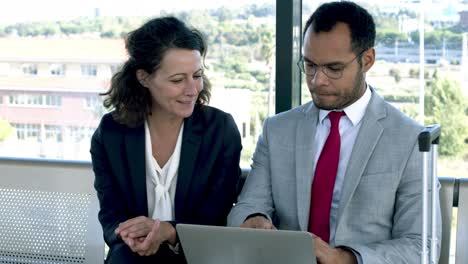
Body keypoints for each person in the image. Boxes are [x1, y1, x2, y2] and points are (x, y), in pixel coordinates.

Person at [228, 2, 441, 263]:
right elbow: (247, 206)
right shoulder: (277, 130)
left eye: (333, 68)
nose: (318, 80)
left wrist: (344, 258)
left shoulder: (410, 140)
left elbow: (421, 246)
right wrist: (253, 219)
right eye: (310, 66)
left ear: (368, 60)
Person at [91, 16, 242, 263]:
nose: (192, 89)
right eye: (177, 80)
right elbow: (111, 212)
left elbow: (216, 215)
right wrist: (131, 237)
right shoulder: (110, 133)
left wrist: (169, 232)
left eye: (197, 75)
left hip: (198, 255)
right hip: (132, 255)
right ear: (144, 78)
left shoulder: (220, 130)